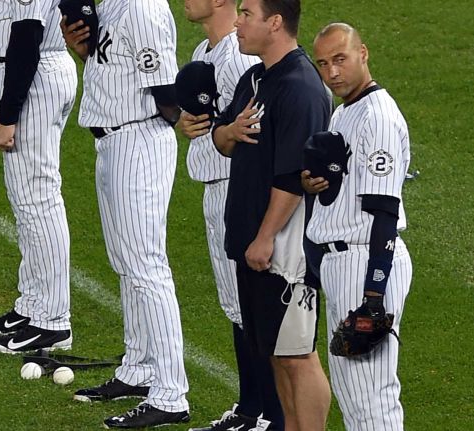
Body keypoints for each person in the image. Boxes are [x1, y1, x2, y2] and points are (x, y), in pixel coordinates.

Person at [59, 0, 190, 428]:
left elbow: (168, 94)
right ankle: (138, 369)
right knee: (127, 264)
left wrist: (162, 125)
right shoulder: (111, 5)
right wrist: (84, 53)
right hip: (112, 141)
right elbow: (120, 69)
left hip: (139, 141)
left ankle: (171, 392)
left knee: (146, 267)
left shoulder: (142, 9)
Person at [210, 0, 333, 429]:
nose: (238, 23)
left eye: (247, 14)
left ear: (275, 22)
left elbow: (292, 178)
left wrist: (264, 238)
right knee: (278, 355)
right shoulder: (255, 78)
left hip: (286, 249)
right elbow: (222, 137)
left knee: (299, 355)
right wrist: (229, 130)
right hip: (252, 240)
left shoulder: (300, 87)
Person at [175, 1, 282, 430]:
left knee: (253, 308)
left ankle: (269, 415)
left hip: (237, 190)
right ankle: (249, 409)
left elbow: (260, 128)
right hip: (215, 189)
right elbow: (203, 118)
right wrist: (188, 122)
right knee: (236, 307)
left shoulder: (239, 59)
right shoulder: (205, 53)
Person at [304, 22, 413, 430]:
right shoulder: (344, 111)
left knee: (372, 398)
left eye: (340, 60)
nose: (331, 72)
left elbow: (384, 211)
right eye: (323, 64)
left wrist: (373, 297)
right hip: (342, 262)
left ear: (363, 53)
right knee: (354, 398)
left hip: (366, 261)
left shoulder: (378, 117)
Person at [0, 0, 76, 354]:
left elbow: (28, 34)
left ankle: (52, 321)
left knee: (38, 199)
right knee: (28, 200)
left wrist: (7, 117)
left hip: (34, 77)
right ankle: (31, 308)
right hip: (34, 73)